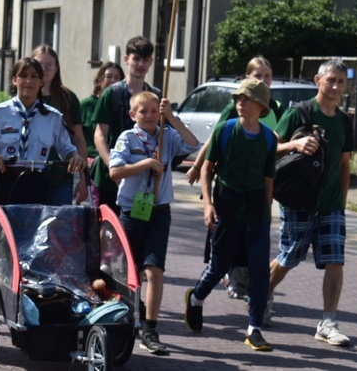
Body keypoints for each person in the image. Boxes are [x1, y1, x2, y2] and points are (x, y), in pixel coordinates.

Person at [183, 78, 276, 351]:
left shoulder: (269, 139)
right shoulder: (225, 130)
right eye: (237, 98)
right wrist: (208, 205)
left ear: (260, 105)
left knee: (260, 271)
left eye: (245, 99)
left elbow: (269, 179)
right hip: (226, 203)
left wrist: (267, 214)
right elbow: (207, 169)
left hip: (256, 208)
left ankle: (254, 329)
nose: (239, 102)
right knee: (220, 266)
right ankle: (196, 299)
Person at [268, 59, 353, 346]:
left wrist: (341, 201)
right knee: (289, 257)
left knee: (335, 260)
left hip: (330, 204)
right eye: (331, 80)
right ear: (318, 80)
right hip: (298, 200)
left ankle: (328, 322)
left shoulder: (343, 121)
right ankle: (262, 294)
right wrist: (294, 145)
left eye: (341, 81)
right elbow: (270, 148)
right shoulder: (298, 113)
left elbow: (344, 163)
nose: (335, 86)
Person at [109, 91, 200, 356]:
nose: (149, 116)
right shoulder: (127, 138)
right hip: (132, 211)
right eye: (143, 112)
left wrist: (171, 117)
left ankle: (150, 329)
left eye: (153, 111)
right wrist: (147, 163)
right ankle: (129, 318)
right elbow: (115, 172)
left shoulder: (167, 135)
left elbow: (193, 143)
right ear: (133, 115)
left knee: (154, 269)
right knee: (130, 271)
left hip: (159, 212)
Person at [185, 56, 283, 298]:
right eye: (257, 75)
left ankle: (254, 299)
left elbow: (274, 142)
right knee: (224, 248)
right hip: (229, 189)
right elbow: (215, 139)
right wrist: (198, 166)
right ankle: (225, 279)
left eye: (267, 76)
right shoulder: (236, 108)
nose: (263, 80)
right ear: (247, 77)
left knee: (253, 248)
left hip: (257, 185)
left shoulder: (276, 108)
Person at [0, 57, 86, 206]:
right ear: (14, 80)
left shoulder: (53, 117)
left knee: (37, 228)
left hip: (38, 184)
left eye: (34, 77)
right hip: (6, 182)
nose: (28, 81)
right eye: (23, 76)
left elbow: (67, 150)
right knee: (0, 228)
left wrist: (74, 157)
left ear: (41, 82)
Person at [92, 36, 160, 214]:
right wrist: (112, 166)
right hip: (110, 180)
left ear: (151, 62)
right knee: (107, 233)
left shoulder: (155, 95)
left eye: (145, 60)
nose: (140, 64)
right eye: (136, 58)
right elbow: (100, 135)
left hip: (142, 181)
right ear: (126, 59)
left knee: (135, 231)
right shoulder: (112, 93)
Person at [31, 45, 89, 204]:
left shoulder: (68, 97)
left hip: (61, 175)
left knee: (59, 224)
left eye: (49, 64)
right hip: (31, 174)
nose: (45, 69)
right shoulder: (26, 96)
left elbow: (78, 139)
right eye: (40, 64)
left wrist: (84, 178)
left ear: (57, 68)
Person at [80, 62, 123, 205]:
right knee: (99, 209)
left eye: (117, 77)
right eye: (108, 76)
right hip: (94, 165)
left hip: (118, 164)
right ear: (99, 80)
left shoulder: (122, 104)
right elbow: (76, 136)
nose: (113, 80)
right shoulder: (86, 105)